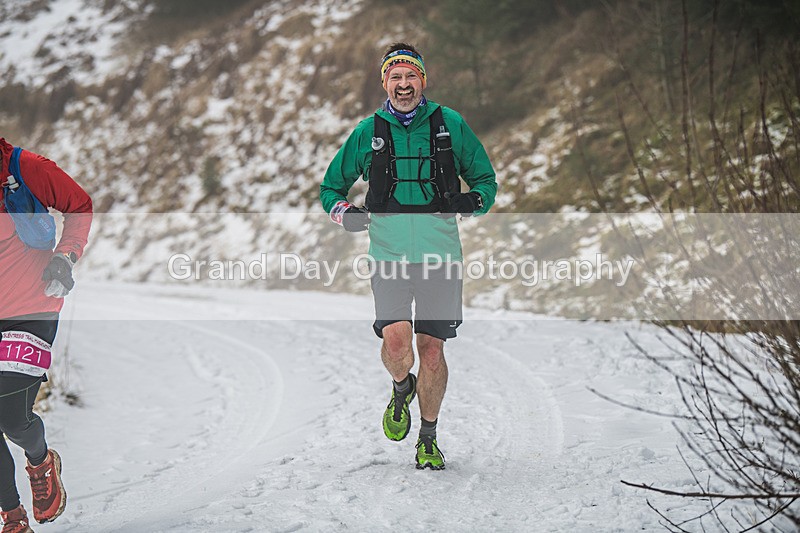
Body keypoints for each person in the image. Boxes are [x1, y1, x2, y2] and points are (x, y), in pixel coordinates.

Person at [320, 43, 497, 469]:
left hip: (440, 256)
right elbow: (330, 189)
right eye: (395, 77)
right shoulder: (368, 132)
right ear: (385, 83)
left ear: (423, 80)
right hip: (389, 254)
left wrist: (471, 202)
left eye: (411, 76)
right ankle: (402, 387)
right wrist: (345, 214)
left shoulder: (450, 124)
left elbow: (485, 182)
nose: (404, 84)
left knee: (432, 349)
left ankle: (428, 437)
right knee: (398, 343)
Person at [0, 138, 92, 532]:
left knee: (12, 418)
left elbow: (80, 205)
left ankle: (40, 462)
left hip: (31, 307)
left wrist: (65, 255)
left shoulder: (25, 167)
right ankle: (12, 517)